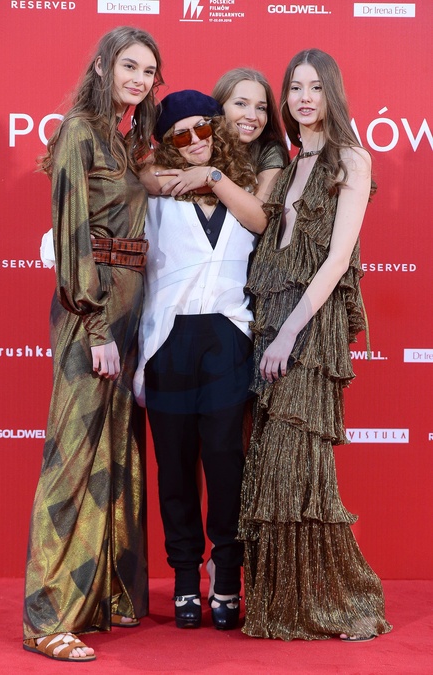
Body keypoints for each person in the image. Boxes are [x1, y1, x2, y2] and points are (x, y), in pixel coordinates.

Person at [238, 49, 392, 642]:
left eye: (315, 87)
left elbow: (336, 260)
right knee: (268, 463)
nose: (304, 98)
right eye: (295, 88)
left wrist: (289, 332)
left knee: (295, 463)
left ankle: (326, 600)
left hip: (307, 325)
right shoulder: (290, 160)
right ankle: (278, 601)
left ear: (333, 93)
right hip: (268, 316)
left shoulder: (351, 158)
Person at [22, 26, 163, 662]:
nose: (139, 78)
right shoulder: (78, 130)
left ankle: (104, 593)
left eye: (148, 71)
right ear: (104, 66)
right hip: (93, 311)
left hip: (128, 312)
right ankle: (47, 618)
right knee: (74, 455)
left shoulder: (127, 139)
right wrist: (97, 325)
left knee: (116, 450)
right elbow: (74, 235)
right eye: (129, 66)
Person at [133, 90, 267, 631]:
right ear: (166, 142)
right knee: (174, 467)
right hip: (168, 342)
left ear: (217, 130)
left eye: (203, 129)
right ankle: (186, 576)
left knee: (226, 463)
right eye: (180, 135)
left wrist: (210, 176)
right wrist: (158, 176)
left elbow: (261, 222)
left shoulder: (242, 189)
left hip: (229, 340)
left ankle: (227, 575)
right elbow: (134, 175)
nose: (194, 142)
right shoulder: (153, 197)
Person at [212, 67, 289, 201]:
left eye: (260, 108)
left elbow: (261, 212)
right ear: (219, 105)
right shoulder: (198, 143)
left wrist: (210, 177)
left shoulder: (270, 151)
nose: (252, 116)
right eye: (241, 104)